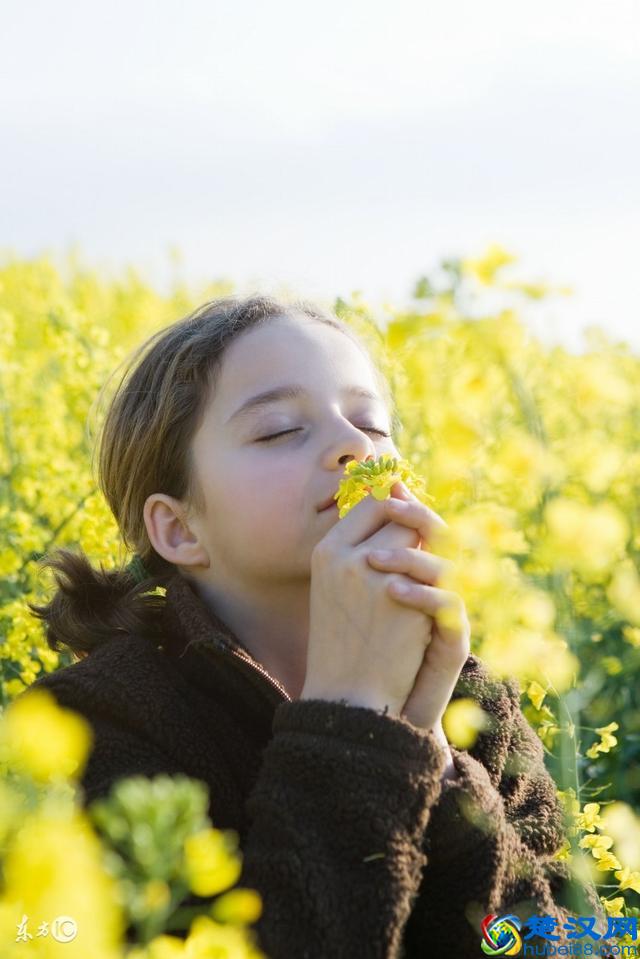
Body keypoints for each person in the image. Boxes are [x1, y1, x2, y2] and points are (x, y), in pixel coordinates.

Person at [23, 294, 614, 958]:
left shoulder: (475, 700)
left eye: (373, 423)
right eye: (279, 429)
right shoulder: (88, 726)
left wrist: (439, 766)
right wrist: (354, 724)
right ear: (179, 528)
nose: (355, 446)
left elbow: (585, 944)